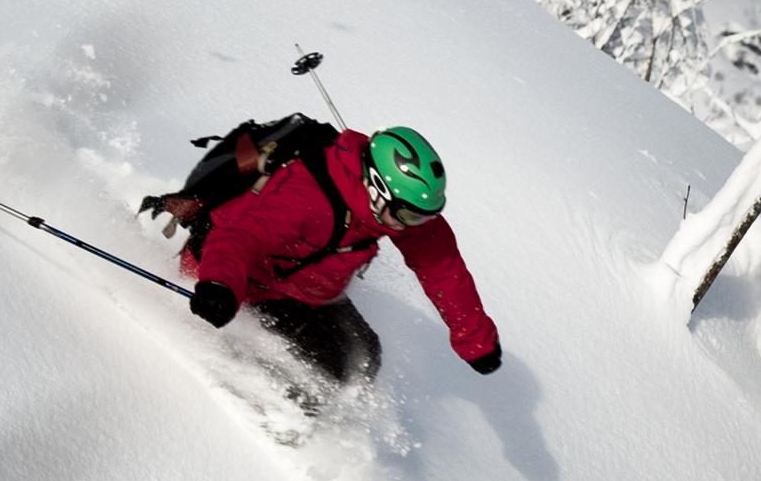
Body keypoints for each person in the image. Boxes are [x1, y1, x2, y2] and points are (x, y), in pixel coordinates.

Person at [141, 116, 502, 388]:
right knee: (315, 375)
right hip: (231, 280)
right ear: (376, 188)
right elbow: (240, 236)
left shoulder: (393, 214)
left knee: (364, 358)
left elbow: (442, 267)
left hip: (294, 288)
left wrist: (475, 340)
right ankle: (252, 404)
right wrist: (219, 284)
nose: (413, 225)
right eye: (409, 214)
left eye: (425, 216)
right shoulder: (308, 199)